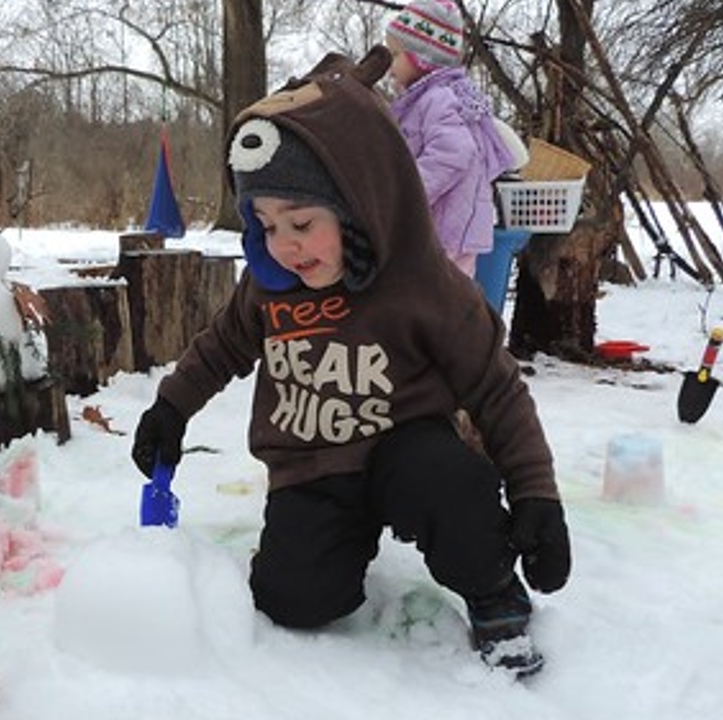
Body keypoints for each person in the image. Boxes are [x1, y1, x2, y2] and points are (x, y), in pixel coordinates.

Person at [130, 47, 569, 678]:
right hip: (310, 468)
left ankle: (492, 588)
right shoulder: (271, 285)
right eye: (266, 224)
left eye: (303, 222)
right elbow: (220, 346)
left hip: (406, 453)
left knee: (454, 486)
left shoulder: (423, 284)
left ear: (359, 203)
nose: (285, 245)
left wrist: (536, 495)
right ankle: (338, 546)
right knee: (295, 601)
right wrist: (171, 407)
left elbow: (496, 389)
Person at [384, 0, 516, 278]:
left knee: (437, 303)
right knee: (439, 302)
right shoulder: (426, 99)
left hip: (447, 229)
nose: (389, 66)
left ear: (422, 57)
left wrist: (407, 190)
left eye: (395, 55)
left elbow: (454, 152)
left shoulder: (439, 98)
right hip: (443, 226)